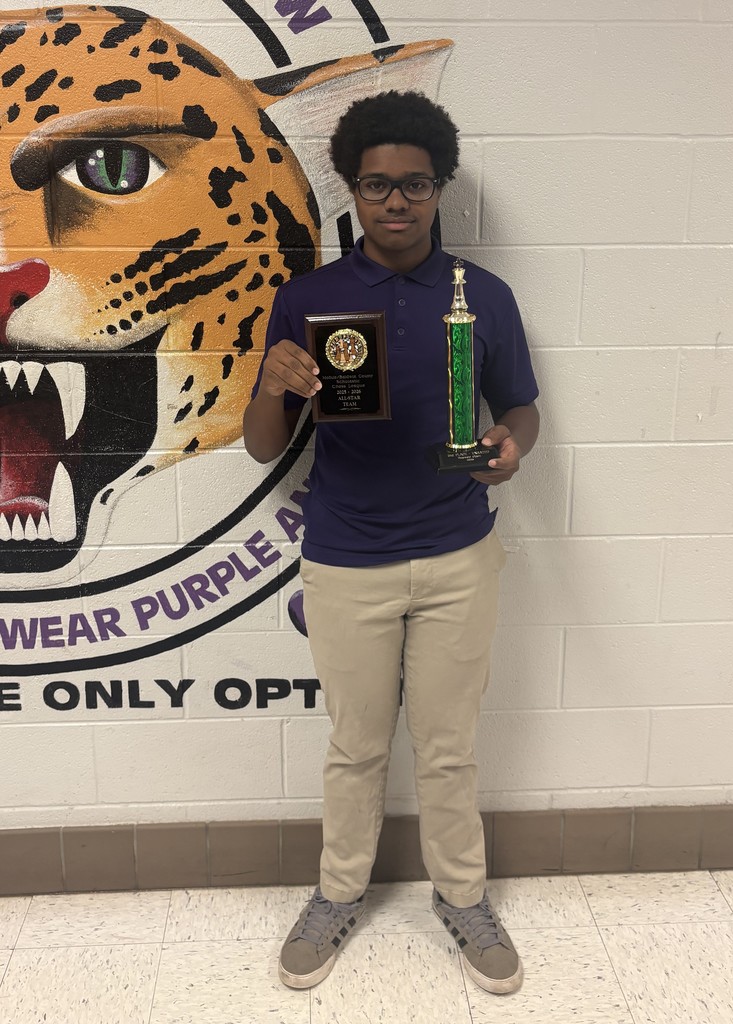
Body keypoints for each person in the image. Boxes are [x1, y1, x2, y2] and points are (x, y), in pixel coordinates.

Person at [243, 90, 540, 996]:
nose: (397, 203)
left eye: (415, 185)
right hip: (344, 557)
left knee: (448, 745)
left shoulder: (481, 297)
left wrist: (512, 446)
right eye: (378, 186)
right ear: (353, 190)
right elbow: (263, 445)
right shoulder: (310, 299)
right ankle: (338, 894)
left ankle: (462, 896)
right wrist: (276, 385)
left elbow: (519, 404)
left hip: (457, 554)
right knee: (356, 745)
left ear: (439, 187)